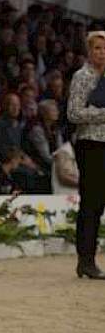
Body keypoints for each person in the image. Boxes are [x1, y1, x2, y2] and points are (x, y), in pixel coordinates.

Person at [67, 29, 105, 279]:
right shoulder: (82, 77)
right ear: (89, 51)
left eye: (104, 48)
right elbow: (74, 113)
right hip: (91, 145)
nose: (101, 53)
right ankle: (86, 260)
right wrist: (102, 113)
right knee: (91, 203)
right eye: (97, 48)